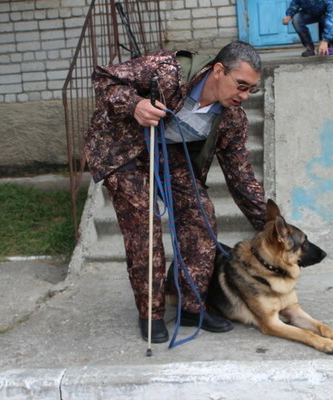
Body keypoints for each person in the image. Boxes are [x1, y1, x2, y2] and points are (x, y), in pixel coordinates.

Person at [84, 41, 267, 343]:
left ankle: (191, 305)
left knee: (201, 219)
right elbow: (104, 78)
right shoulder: (167, 70)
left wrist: (273, 226)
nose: (244, 96)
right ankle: (151, 313)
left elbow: (241, 177)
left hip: (172, 157)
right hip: (126, 151)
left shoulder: (232, 119)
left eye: (251, 91)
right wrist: (134, 104)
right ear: (219, 70)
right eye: (241, 86)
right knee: (145, 228)